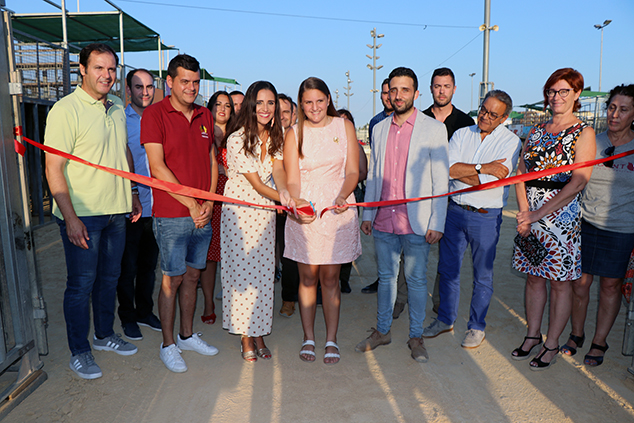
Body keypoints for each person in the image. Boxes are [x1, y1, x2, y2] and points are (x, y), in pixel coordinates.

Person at [45, 43, 140, 380]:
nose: (107, 75)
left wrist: (132, 192)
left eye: (112, 69)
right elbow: (53, 167)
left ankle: (103, 335)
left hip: (116, 212)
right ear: (82, 69)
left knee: (109, 279)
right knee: (81, 284)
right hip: (83, 215)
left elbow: (123, 151)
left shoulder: (116, 106)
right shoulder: (65, 110)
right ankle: (79, 351)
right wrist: (70, 218)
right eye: (99, 68)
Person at [355, 67, 449, 363]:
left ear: (416, 93)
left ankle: (416, 336)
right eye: (393, 90)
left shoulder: (434, 129)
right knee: (386, 279)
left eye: (405, 90)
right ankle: (382, 331)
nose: (398, 95)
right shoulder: (379, 128)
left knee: (417, 281)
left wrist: (437, 222)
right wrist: (368, 213)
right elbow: (375, 173)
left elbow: (441, 180)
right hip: (383, 220)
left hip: (417, 222)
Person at [511, 68, 596, 370]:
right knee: (534, 278)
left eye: (563, 91)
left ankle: (551, 343)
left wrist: (537, 214)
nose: (556, 97)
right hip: (530, 215)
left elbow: (579, 181)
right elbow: (521, 172)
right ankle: (532, 335)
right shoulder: (535, 131)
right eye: (551, 91)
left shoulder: (583, 133)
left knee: (560, 284)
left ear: (576, 94)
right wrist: (525, 214)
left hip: (562, 218)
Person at [423, 90, 521, 348]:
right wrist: (483, 167)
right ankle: (445, 319)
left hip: (485, 217)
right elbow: (447, 169)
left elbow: (490, 182)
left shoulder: (511, 142)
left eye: (493, 114)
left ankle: (477, 326)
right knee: (447, 270)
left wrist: (466, 172)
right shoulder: (461, 133)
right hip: (454, 212)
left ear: (504, 118)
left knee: (483, 275)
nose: (485, 116)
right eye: (483, 110)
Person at [142, 54, 219, 373]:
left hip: (202, 214)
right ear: (170, 82)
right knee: (171, 280)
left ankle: (187, 336)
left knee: (193, 276)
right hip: (172, 214)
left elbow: (212, 159)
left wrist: (209, 203)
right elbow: (157, 167)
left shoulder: (204, 114)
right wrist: (191, 204)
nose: (191, 87)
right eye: (185, 81)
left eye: (196, 82)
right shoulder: (154, 114)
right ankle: (168, 344)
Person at [284, 77, 362, 364]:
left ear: (328, 99)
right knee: (307, 277)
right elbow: (292, 179)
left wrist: (343, 195)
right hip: (306, 212)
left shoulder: (344, 126)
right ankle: (308, 337)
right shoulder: (294, 133)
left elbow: (352, 171)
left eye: (319, 100)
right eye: (308, 102)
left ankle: (331, 338)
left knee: (330, 278)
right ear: (301, 104)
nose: (314, 107)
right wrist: (297, 202)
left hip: (337, 209)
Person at [392, 67, 476, 316]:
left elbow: (468, 166)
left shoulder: (466, 123)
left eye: (446, 86)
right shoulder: (418, 119)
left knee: (447, 256)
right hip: (419, 198)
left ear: (454, 89)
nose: (441, 91)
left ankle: (440, 303)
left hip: (453, 199)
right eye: (437, 86)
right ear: (430, 89)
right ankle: (400, 299)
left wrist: (454, 172)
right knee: (409, 253)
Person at [562, 84, 634, 366]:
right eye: (611, 107)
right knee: (579, 283)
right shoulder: (592, 141)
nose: (614, 114)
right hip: (586, 223)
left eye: (623, 109)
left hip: (622, 228)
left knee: (610, 286)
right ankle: (576, 334)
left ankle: (599, 341)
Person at [221, 81, 290, 362]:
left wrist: (285, 193)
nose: (265, 108)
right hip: (240, 213)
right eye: (259, 102)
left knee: (263, 275)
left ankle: (259, 331)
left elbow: (278, 170)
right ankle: (245, 336)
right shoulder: (237, 139)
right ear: (250, 105)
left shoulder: (275, 136)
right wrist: (286, 200)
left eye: (270, 103)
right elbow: (258, 185)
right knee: (242, 275)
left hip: (265, 212)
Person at [117, 68, 162, 341]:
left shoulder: (160, 118)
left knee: (148, 266)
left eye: (149, 87)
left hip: (157, 207)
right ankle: (128, 316)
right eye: (138, 86)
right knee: (127, 268)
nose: (145, 92)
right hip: (130, 208)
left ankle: (145, 312)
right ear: (128, 89)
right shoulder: (120, 121)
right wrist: (133, 193)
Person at [199, 91, 235, 325]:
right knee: (210, 257)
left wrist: (227, 171)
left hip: (234, 202)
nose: (222, 109)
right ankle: (209, 303)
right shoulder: (202, 133)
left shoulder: (239, 135)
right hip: (210, 199)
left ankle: (234, 306)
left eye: (227, 105)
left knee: (232, 255)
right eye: (218, 104)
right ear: (210, 107)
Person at [361, 78, 394, 294]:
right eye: (384, 92)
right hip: (381, 189)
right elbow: (376, 158)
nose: (388, 96)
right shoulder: (375, 122)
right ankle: (383, 280)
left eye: (391, 92)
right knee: (381, 242)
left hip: (403, 193)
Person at [277, 93, 302, 318]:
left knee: (294, 255)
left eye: (286, 111)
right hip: (271, 205)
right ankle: (286, 297)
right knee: (282, 254)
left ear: (294, 114)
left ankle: (291, 298)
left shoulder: (301, 137)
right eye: (278, 111)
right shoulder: (265, 137)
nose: (282, 116)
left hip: (297, 204)